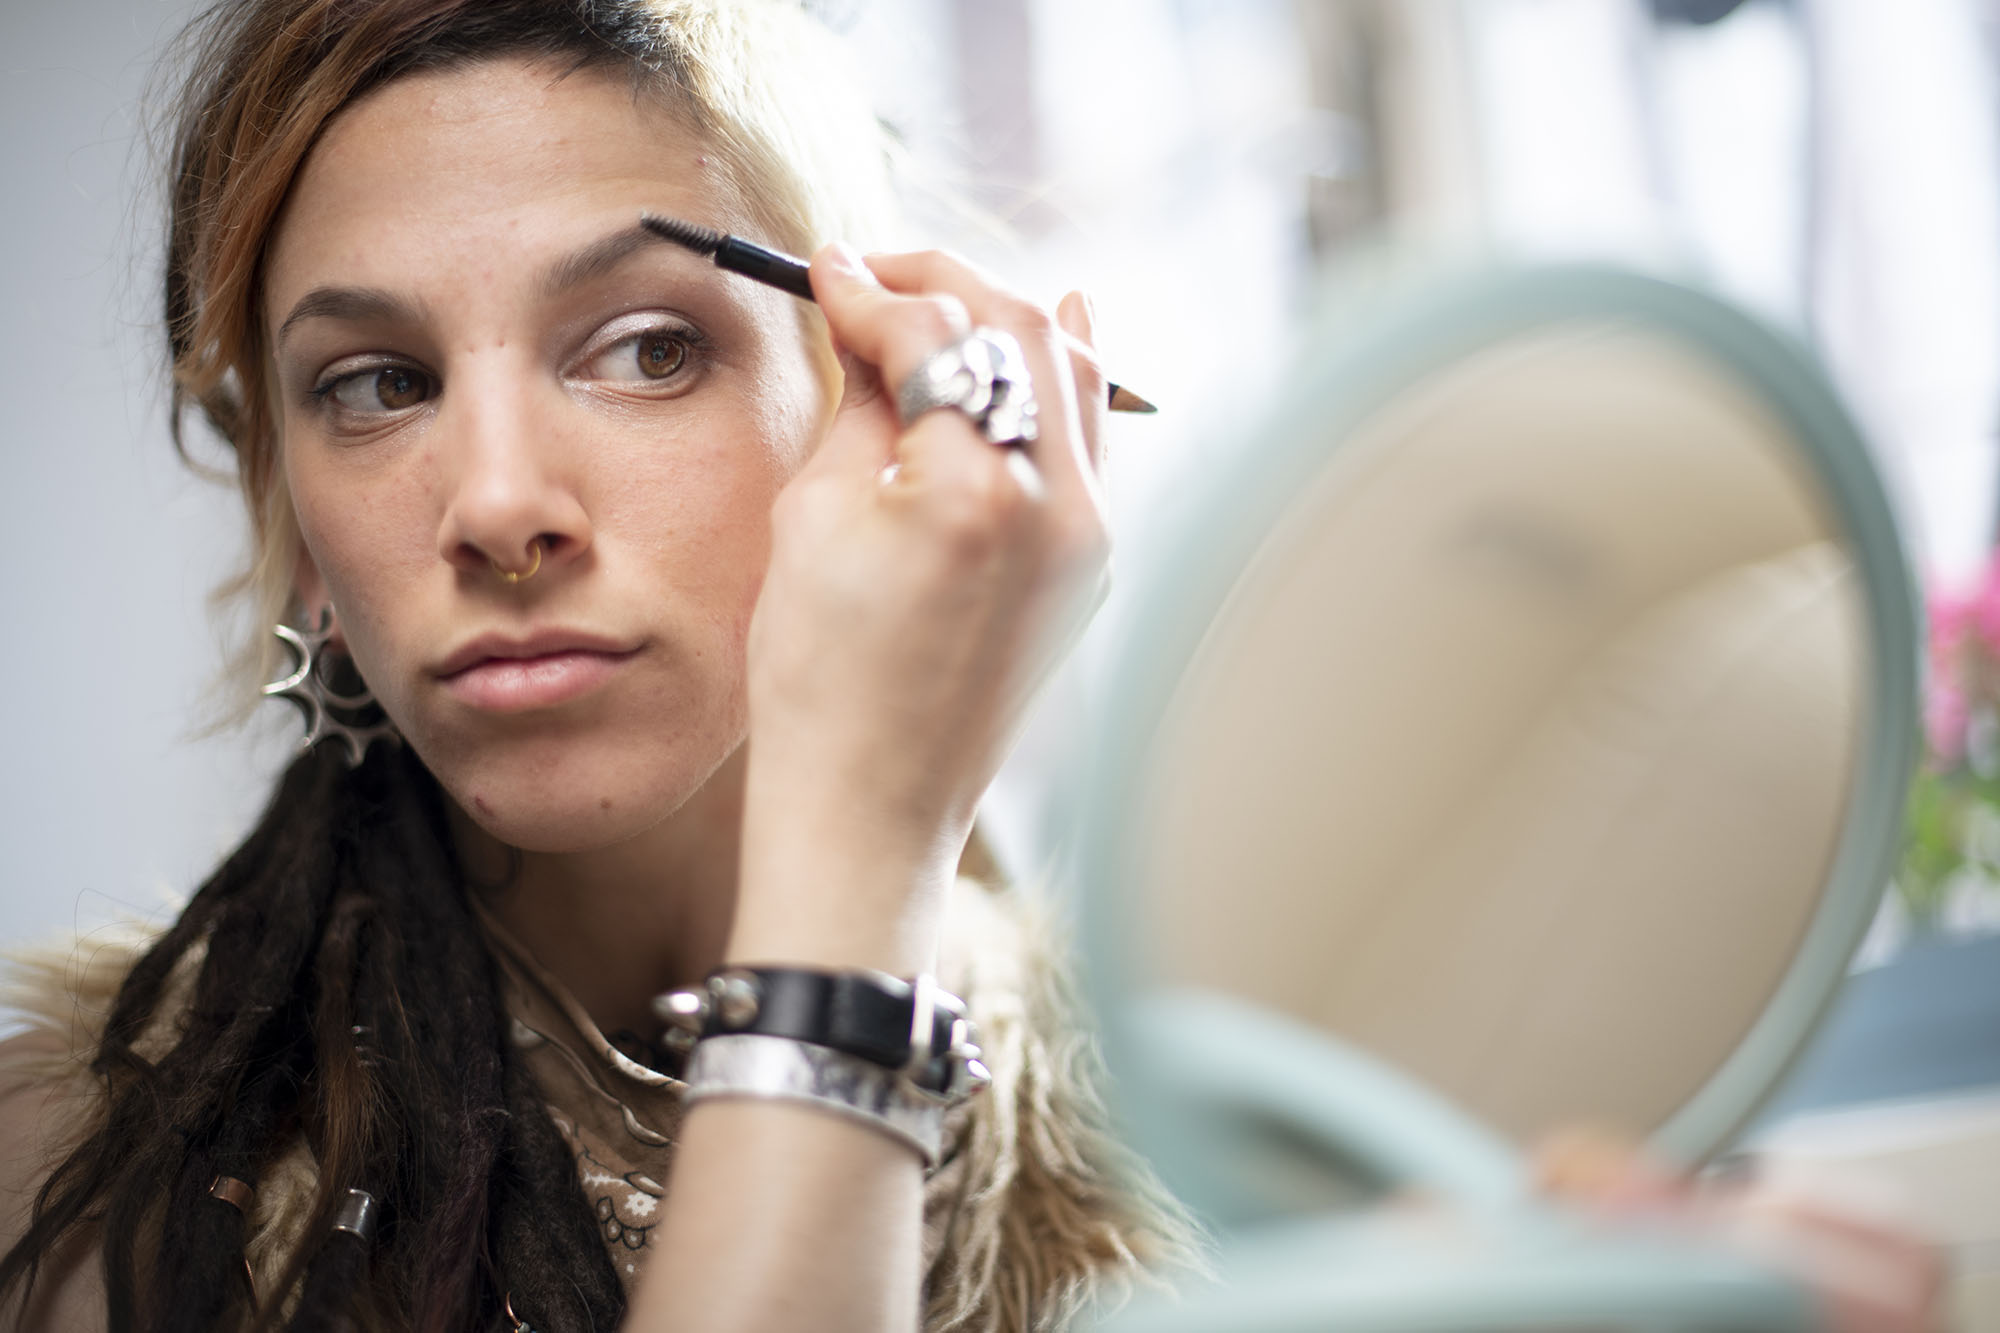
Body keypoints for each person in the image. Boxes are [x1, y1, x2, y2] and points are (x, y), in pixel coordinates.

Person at [0, 1, 1189, 1330]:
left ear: (871, 408)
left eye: (648, 349)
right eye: (380, 383)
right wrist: (859, 876)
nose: (500, 504)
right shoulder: (73, 1180)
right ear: (299, 540)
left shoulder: (1191, 1122)